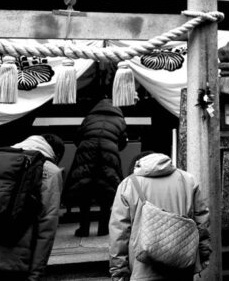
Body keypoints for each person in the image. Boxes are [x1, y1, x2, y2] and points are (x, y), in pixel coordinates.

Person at [108, 151, 210, 281]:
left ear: (138, 165)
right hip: (182, 267)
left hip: (142, 270)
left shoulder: (128, 184)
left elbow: (119, 233)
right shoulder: (188, 180)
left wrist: (119, 271)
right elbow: (202, 222)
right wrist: (203, 254)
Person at [0, 133, 66, 281]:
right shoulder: (50, 171)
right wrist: (36, 273)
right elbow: (46, 228)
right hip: (14, 264)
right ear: (56, 154)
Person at [65, 97, 128, 237]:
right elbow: (123, 141)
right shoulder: (119, 119)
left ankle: (83, 228)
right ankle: (103, 228)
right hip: (109, 152)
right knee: (106, 189)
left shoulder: (89, 117)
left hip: (87, 150)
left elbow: (77, 136)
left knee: (84, 189)